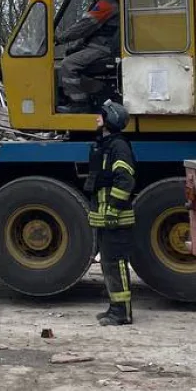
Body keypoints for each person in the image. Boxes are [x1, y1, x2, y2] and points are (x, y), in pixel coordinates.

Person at [85, 99, 135, 326]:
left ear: (110, 120)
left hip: (115, 216)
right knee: (108, 263)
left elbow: (125, 180)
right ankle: (114, 308)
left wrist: (114, 209)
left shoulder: (119, 147)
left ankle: (122, 312)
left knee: (116, 263)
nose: (97, 118)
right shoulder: (107, 145)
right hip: (106, 216)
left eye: (101, 115)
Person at [59, 0, 120, 110]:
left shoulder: (106, 5)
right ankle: (96, 92)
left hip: (102, 49)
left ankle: (79, 104)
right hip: (100, 47)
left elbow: (83, 26)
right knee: (70, 55)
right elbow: (90, 32)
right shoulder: (105, 5)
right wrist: (75, 46)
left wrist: (59, 38)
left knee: (68, 64)